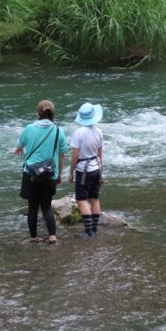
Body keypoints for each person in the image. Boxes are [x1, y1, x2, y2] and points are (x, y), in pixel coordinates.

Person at [15, 100, 68, 245]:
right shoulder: (58, 131)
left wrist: (20, 149)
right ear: (53, 114)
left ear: (38, 113)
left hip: (31, 173)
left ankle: (33, 238)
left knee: (32, 206)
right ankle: (52, 237)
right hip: (50, 173)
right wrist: (59, 174)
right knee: (46, 207)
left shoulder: (29, 128)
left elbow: (19, 144)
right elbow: (62, 154)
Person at [68, 102, 104, 238]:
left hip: (83, 170)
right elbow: (100, 154)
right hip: (96, 168)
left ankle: (88, 232)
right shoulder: (99, 132)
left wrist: (71, 172)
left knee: (81, 199)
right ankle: (94, 229)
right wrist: (101, 173)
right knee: (94, 198)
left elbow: (75, 156)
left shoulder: (78, 133)